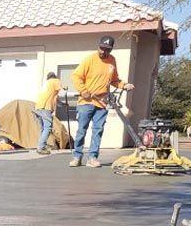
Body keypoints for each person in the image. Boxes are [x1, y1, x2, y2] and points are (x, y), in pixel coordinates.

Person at [70, 35, 134, 168]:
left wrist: (124, 85)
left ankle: (92, 158)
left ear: (110, 50)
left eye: (107, 50)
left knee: (98, 130)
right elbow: (76, 76)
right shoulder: (90, 59)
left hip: (102, 102)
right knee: (82, 130)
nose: (103, 52)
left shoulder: (112, 61)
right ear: (98, 46)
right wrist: (83, 90)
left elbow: (115, 80)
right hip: (86, 102)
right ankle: (77, 157)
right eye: (101, 48)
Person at [33, 71, 61, 154]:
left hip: (37, 108)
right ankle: (41, 147)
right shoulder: (55, 81)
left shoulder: (46, 84)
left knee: (43, 129)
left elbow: (54, 97)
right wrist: (66, 90)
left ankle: (42, 145)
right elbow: (62, 92)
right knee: (48, 128)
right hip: (45, 107)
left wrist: (62, 104)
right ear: (54, 77)